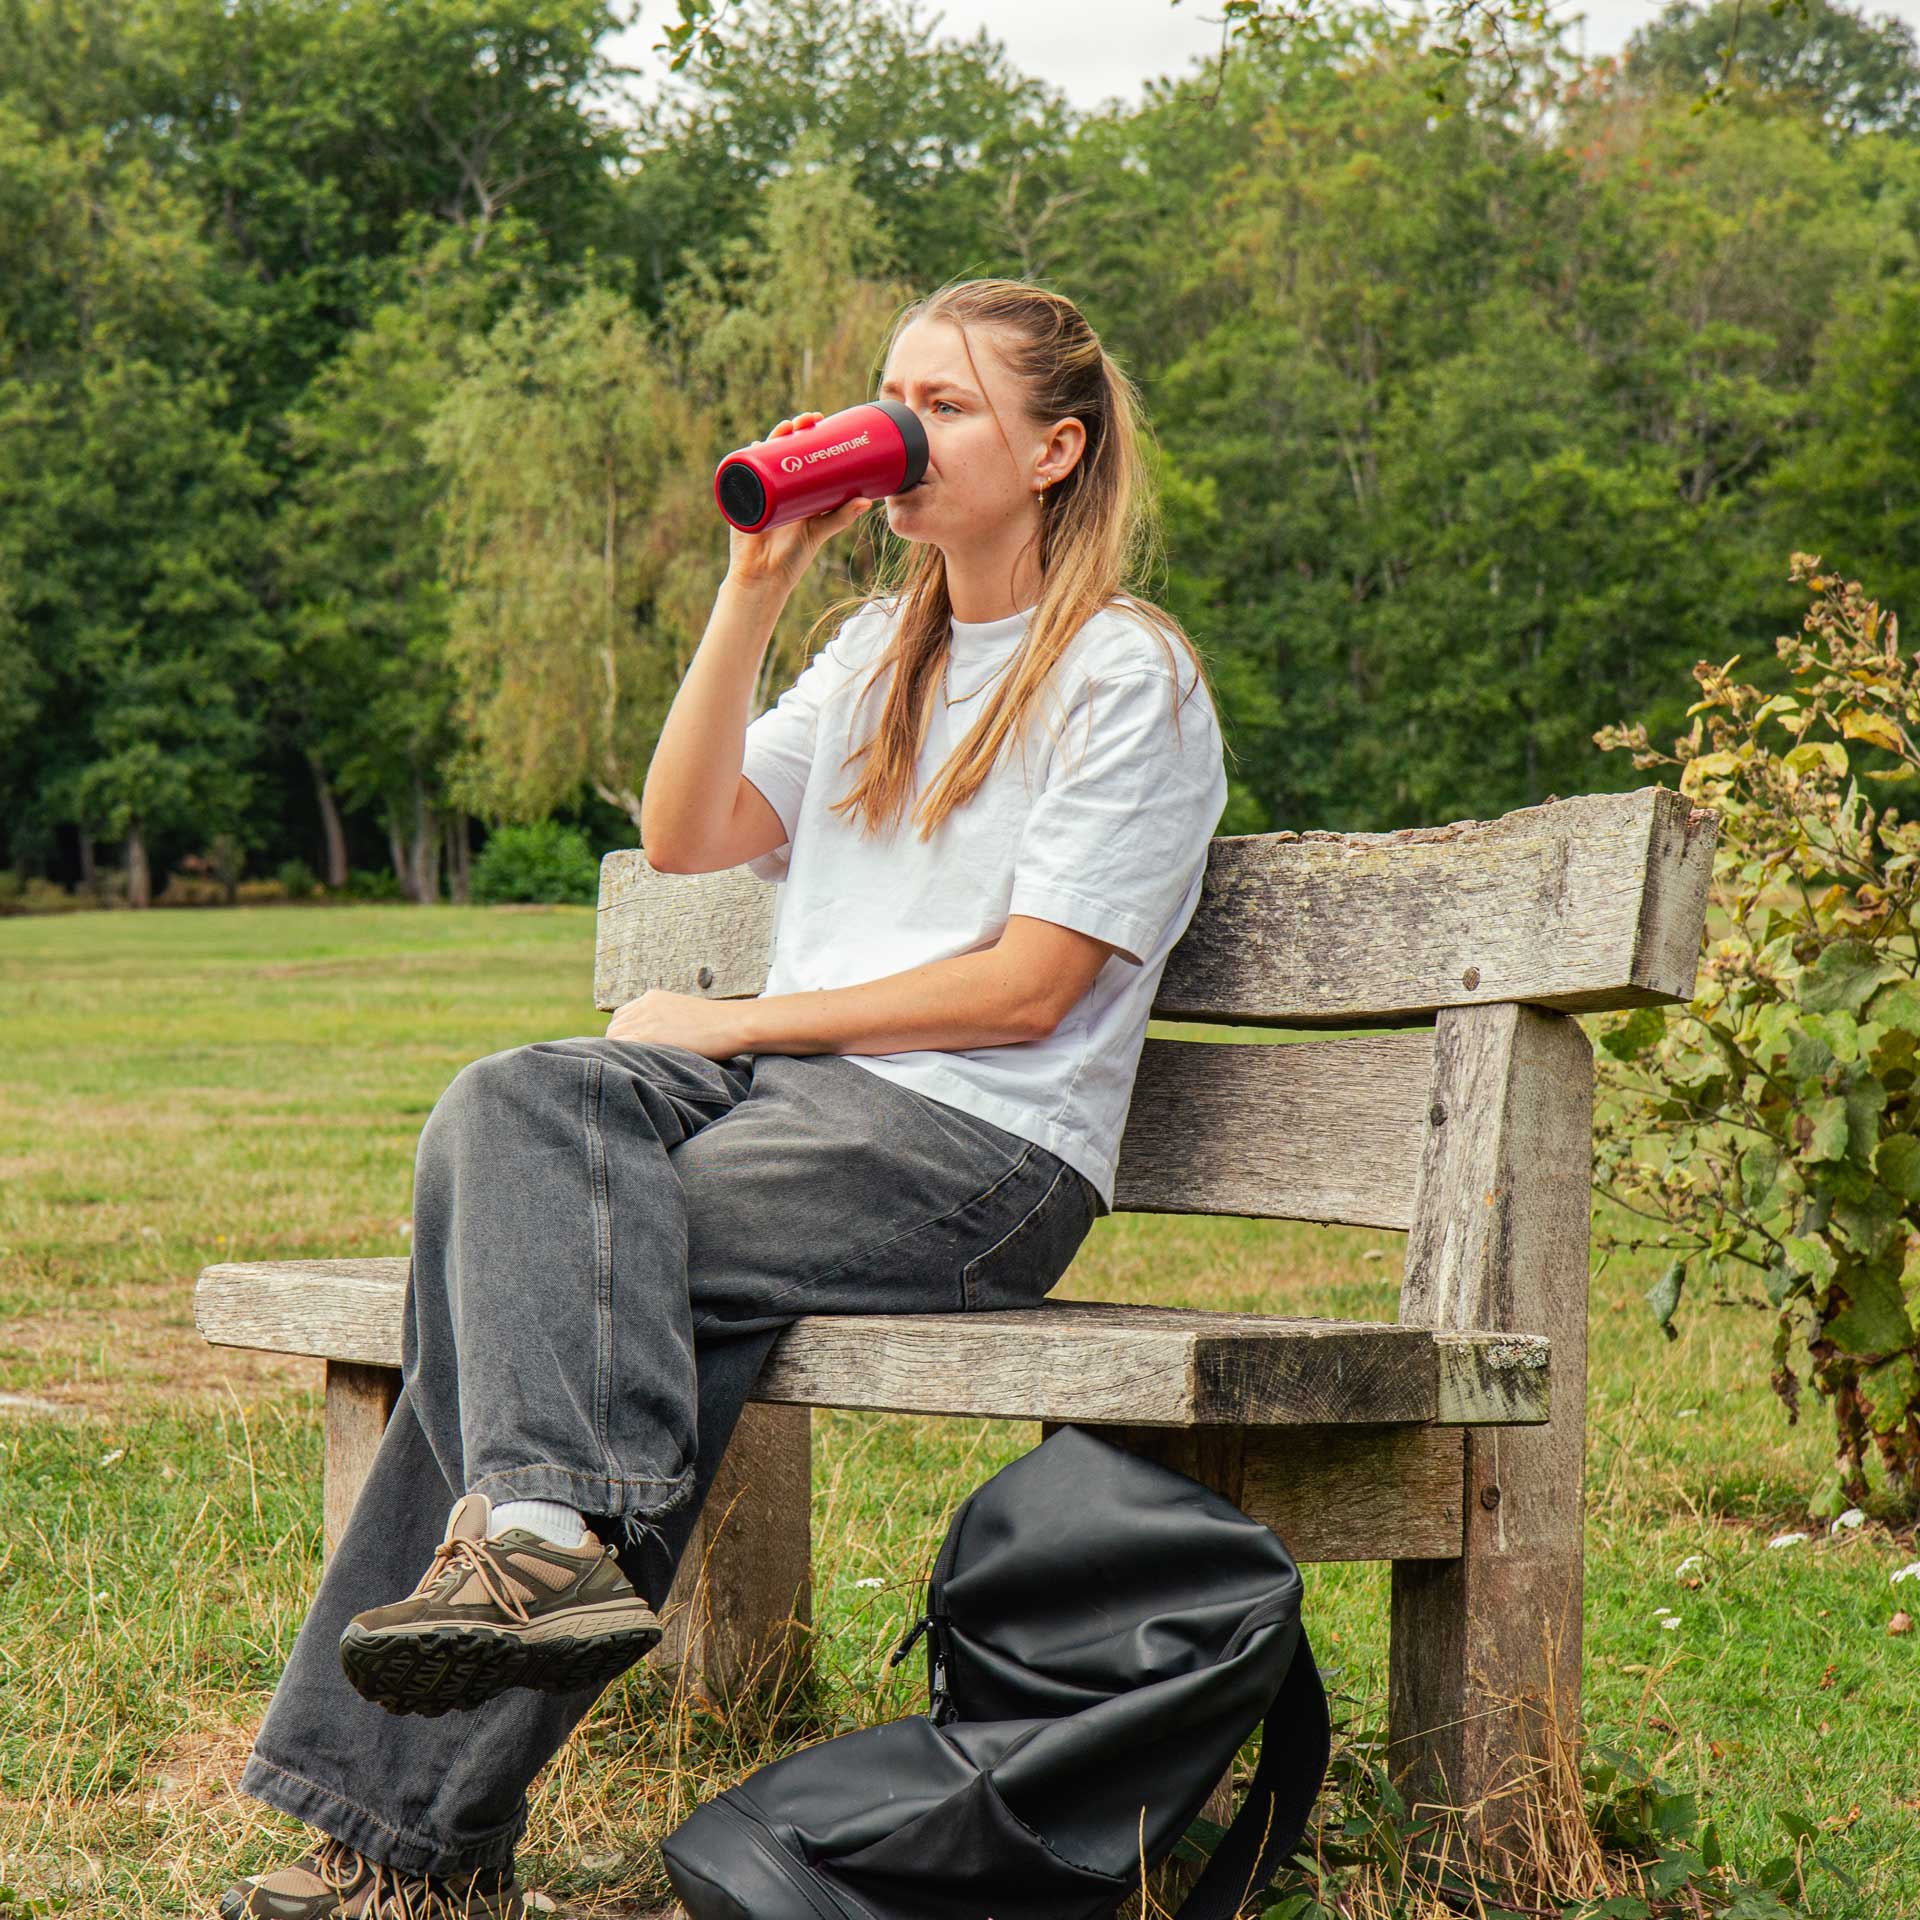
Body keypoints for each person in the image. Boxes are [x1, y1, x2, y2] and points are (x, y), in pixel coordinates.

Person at [218, 275, 1231, 1919]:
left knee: (559, 1279)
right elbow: (686, 831)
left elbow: (1033, 987)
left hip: (974, 1150)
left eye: (948, 404)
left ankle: (401, 1851)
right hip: (793, 1110)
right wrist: (754, 584)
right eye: (894, 391)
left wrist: (752, 1022)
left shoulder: (1124, 677)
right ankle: (543, 1531)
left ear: (1057, 448)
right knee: (513, 1108)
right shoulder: (871, 650)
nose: (901, 427)